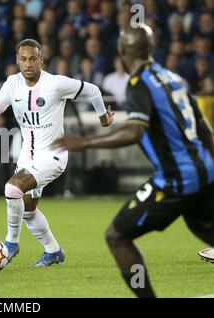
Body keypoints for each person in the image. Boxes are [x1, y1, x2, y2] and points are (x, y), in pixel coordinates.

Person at [53, 24, 214, 297]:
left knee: (117, 237)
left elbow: (134, 130)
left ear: (122, 50)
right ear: (150, 49)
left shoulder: (139, 83)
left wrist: (85, 143)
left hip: (177, 178)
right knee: (204, 228)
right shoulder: (174, 78)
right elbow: (205, 129)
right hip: (205, 171)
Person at [0, 39, 113, 266]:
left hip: (53, 155)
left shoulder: (56, 84)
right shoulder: (13, 84)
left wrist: (103, 118)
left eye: (33, 58)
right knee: (29, 212)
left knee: (12, 188)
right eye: (23, 59)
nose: (28, 64)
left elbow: (93, 90)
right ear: (17, 61)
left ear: (41, 59)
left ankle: (11, 243)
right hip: (27, 157)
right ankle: (53, 252)